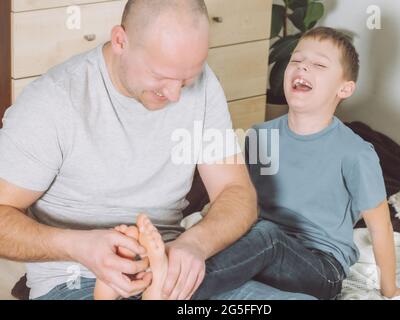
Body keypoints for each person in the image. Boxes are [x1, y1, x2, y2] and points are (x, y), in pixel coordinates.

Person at [0, 0, 313, 300]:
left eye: (186, 79)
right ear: (121, 41)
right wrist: (79, 246)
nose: (176, 95)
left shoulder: (203, 86)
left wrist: (195, 245)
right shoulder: (54, 102)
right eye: (162, 77)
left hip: (170, 274)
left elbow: (236, 191)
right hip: (76, 281)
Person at [189, 27, 400, 300]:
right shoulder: (260, 135)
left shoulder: (356, 153)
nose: (303, 68)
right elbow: (240, 200)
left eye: (319, 65)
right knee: (239, 239)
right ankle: (177, 274)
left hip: (320, 268)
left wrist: (390, 289)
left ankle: (168, 286)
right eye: (296, 61)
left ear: (344, 88)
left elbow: (380, 227)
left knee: (268, 236)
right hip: (257, 252)